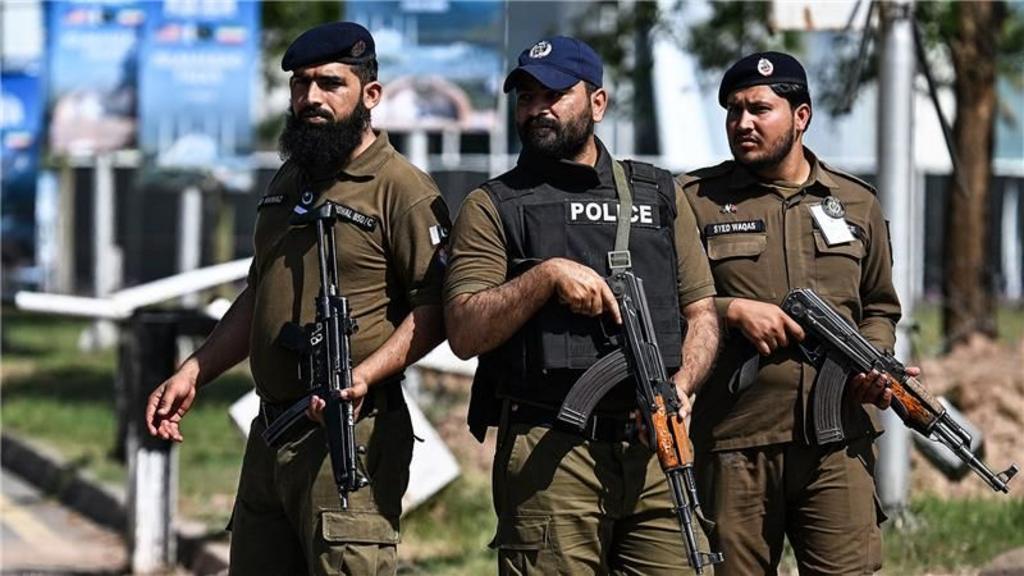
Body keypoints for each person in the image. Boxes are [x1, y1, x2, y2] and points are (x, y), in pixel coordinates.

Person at [144, 22, 450, 576]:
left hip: (349, 433)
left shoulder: (401, 189)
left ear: (370, 94)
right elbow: (260, 291)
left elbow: (435, 310)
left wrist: (364, 375)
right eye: (301, 84)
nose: (311, 97)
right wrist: (194, 370)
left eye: (330, 83)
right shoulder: (288, 182)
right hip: (272, 432)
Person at [444, 36, 720, 574]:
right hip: (552, 452)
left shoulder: (659, 195)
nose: (537, 109)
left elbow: (701, 313)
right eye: (527, 97)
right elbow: (463, 331)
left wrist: (683, 387)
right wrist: (544, 278)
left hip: (655, 448)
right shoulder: (494, 205)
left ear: (598, 103)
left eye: (554, 94)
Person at [680, 51, 918, 575]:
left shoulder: (856, 203)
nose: (742, 123)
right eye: (734, 110)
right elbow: (663, 301)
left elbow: (880, 306)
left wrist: (875, 361)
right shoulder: (694, 201)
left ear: (801, 116)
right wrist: (731, 310)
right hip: (734, 442)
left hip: (837, 443)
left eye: (759, 109)